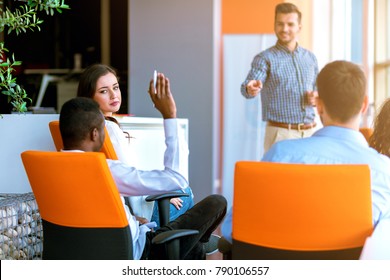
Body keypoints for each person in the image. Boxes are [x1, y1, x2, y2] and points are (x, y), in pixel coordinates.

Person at [222, 60, 390, 246]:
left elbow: (232, 229)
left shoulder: (280, 155)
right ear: (364, 104)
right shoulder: (382, 170)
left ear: (318, 105)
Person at [59, 96, 227, 259]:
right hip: (144, 252)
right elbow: (176, 179)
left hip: (89, 253)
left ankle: (196, 248)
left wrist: (130, 220)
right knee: (217, 203)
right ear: (95, 134)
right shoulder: (104, 170)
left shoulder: (49, 169)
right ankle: (199, 247)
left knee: (188, 243)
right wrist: (170, 115)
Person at [77, 64, 194, 227]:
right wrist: (170, 114)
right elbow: (133, 179)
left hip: (127, 211)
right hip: (143, 212)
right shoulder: (109, 129)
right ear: (89, 98)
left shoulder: (88, 130)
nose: (113, 95)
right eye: (104, 91)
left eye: (115, 88)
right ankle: (190, 244)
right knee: (187, 193)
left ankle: (189, 242)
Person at [241, 2, 319, 153]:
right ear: (274, 25)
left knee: (308, 178)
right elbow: (250, 84)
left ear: (299, 27)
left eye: (290, 24)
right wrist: (250, 88)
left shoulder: (310, 58)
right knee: (278, 178)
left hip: (311, 134)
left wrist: (316, 96)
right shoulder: (265, 58)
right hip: (281, 135)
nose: (284, 29)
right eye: (280, 24)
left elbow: (317, 88)